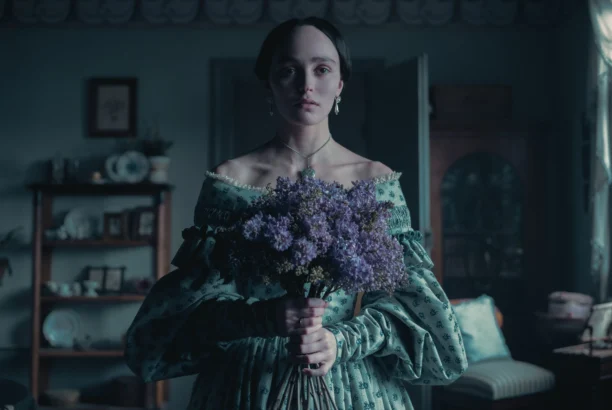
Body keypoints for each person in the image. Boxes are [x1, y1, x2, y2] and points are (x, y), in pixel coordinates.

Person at [125, 17, 467, 409]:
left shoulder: (376, 181)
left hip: (349, 380)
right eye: (289, 70)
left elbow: (407, 307)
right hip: (249, 384)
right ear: (268, 84)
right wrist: (261, 318)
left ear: (340, 84)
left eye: (322, 69)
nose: (306, 84)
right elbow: (191, 309)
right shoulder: (230, 181)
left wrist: (340, 341)